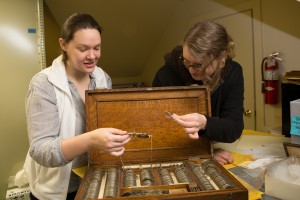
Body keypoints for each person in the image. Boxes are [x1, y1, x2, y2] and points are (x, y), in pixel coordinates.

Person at [23, 13, 131, 200]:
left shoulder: (102, 78)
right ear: (63, 45)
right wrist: (90, 140)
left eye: (97, 48)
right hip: (59, 191)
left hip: (95, 182)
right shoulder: (44, 84)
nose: (92, 56)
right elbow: (40, 150)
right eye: (83, 49)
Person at [152, 20, 244, 165]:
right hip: (175, 155)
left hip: (208, 149)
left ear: (222, 57)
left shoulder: (233, 72)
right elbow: (158, 130)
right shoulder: (166, 75)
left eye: (198, 65)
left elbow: (233, 127)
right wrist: (203, 152)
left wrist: (205, 123)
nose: (191, 69)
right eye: (186, 61)